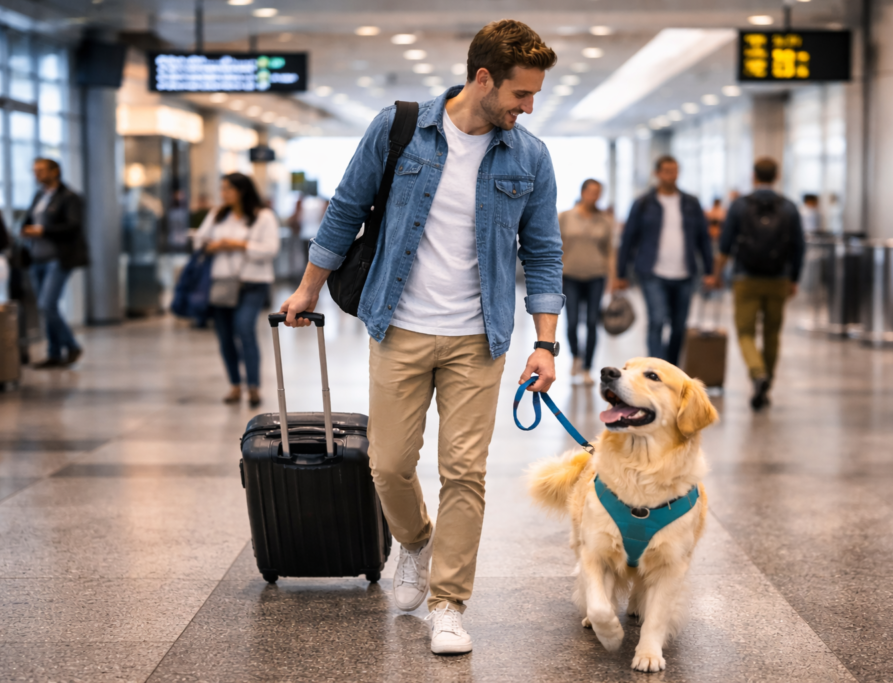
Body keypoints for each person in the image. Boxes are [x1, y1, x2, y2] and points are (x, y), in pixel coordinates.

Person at [278, 20, 561, 656]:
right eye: (521, 93)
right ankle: (415, 542)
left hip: (478, 337)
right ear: (483, 78)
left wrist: (545, 343)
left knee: (465, 470)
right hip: (399, 325)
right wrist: (307, 288)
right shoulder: (399, 128)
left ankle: (449, 602)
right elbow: (345, 209)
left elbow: (543, 252)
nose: (528, 107)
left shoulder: (531, 156)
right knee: (389, 464)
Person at [710, 157, 805, 410]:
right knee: (772, 333)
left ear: (753, 175)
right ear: (777, 175)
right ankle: (766, 384)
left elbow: (725, 244)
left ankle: (756, 372)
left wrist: (717, 274)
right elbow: (799, 246)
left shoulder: (740, 206)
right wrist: (794, 278)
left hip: (745, 278)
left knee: (746, 332)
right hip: (778, 279)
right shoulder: (789, 207)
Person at [614, 155, 713, 365]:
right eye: (667, 171)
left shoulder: (691, 203)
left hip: (685, 273)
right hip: (652, 272)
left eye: (675, 171)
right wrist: (621, 273)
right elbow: (628, 239)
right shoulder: (643, 203)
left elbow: (703, 238)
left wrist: (710, 271)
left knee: (679, 326)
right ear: (657, 173)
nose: (672, 175)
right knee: (657, 320)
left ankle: (672, 369)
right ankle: (657, 368)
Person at [193, 173, 280, 408]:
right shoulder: (217, 215)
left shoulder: (263, 216)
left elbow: (270, 250)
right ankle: (234, 384)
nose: (223, 194)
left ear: (242, 190)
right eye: (222, 189)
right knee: (224, 336)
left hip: (253, 282)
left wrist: (238, 244)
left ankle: (253, 386)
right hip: (221, 283)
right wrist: (215, 246)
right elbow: (199, 242)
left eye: (228, 189)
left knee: (244, 328)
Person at [19, 158, 89, 369]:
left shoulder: (70, 197)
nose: (37, 175)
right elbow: (29, 220)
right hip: (36, 258)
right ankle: (54, 353)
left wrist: (43, 231)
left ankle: (72, 345)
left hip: (59, 258)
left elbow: (74, 226)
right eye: (34, 171)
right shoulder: (39, 196)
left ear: (55, 171)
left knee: (46, 304)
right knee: (46, 307)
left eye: (40, 170)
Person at [559, 178, 614, 386]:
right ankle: (575, 356)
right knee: (572, 321)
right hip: (570, 275)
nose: (594, 196)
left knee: (592, 322)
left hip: (596, 276)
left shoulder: (605, 220)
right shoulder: (565, 217)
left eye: (598, 192)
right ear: (582, 192)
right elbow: (556, 247)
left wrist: (613, 278)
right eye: (591, 192)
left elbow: (610, 251)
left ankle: (588, 367)